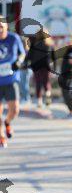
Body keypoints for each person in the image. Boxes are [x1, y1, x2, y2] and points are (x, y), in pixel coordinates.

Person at [0, 15, 25, 148]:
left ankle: (8, 122)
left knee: (14, 110)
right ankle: (1, 136)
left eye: (1, 26)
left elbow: (22, 53)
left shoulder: (14, 38)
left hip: (11, 80)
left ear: (6, 26)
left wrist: (19, 62)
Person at [25, 28, 55, 108]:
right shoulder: (49, 44)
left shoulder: (34, 44)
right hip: (47, 66)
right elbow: (53, 57)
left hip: (36, 66)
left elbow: (29, 55)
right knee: (46, 82)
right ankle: (48, 95)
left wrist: (26, 63)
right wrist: (53, 68)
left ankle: (39, 101)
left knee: (38, 83)